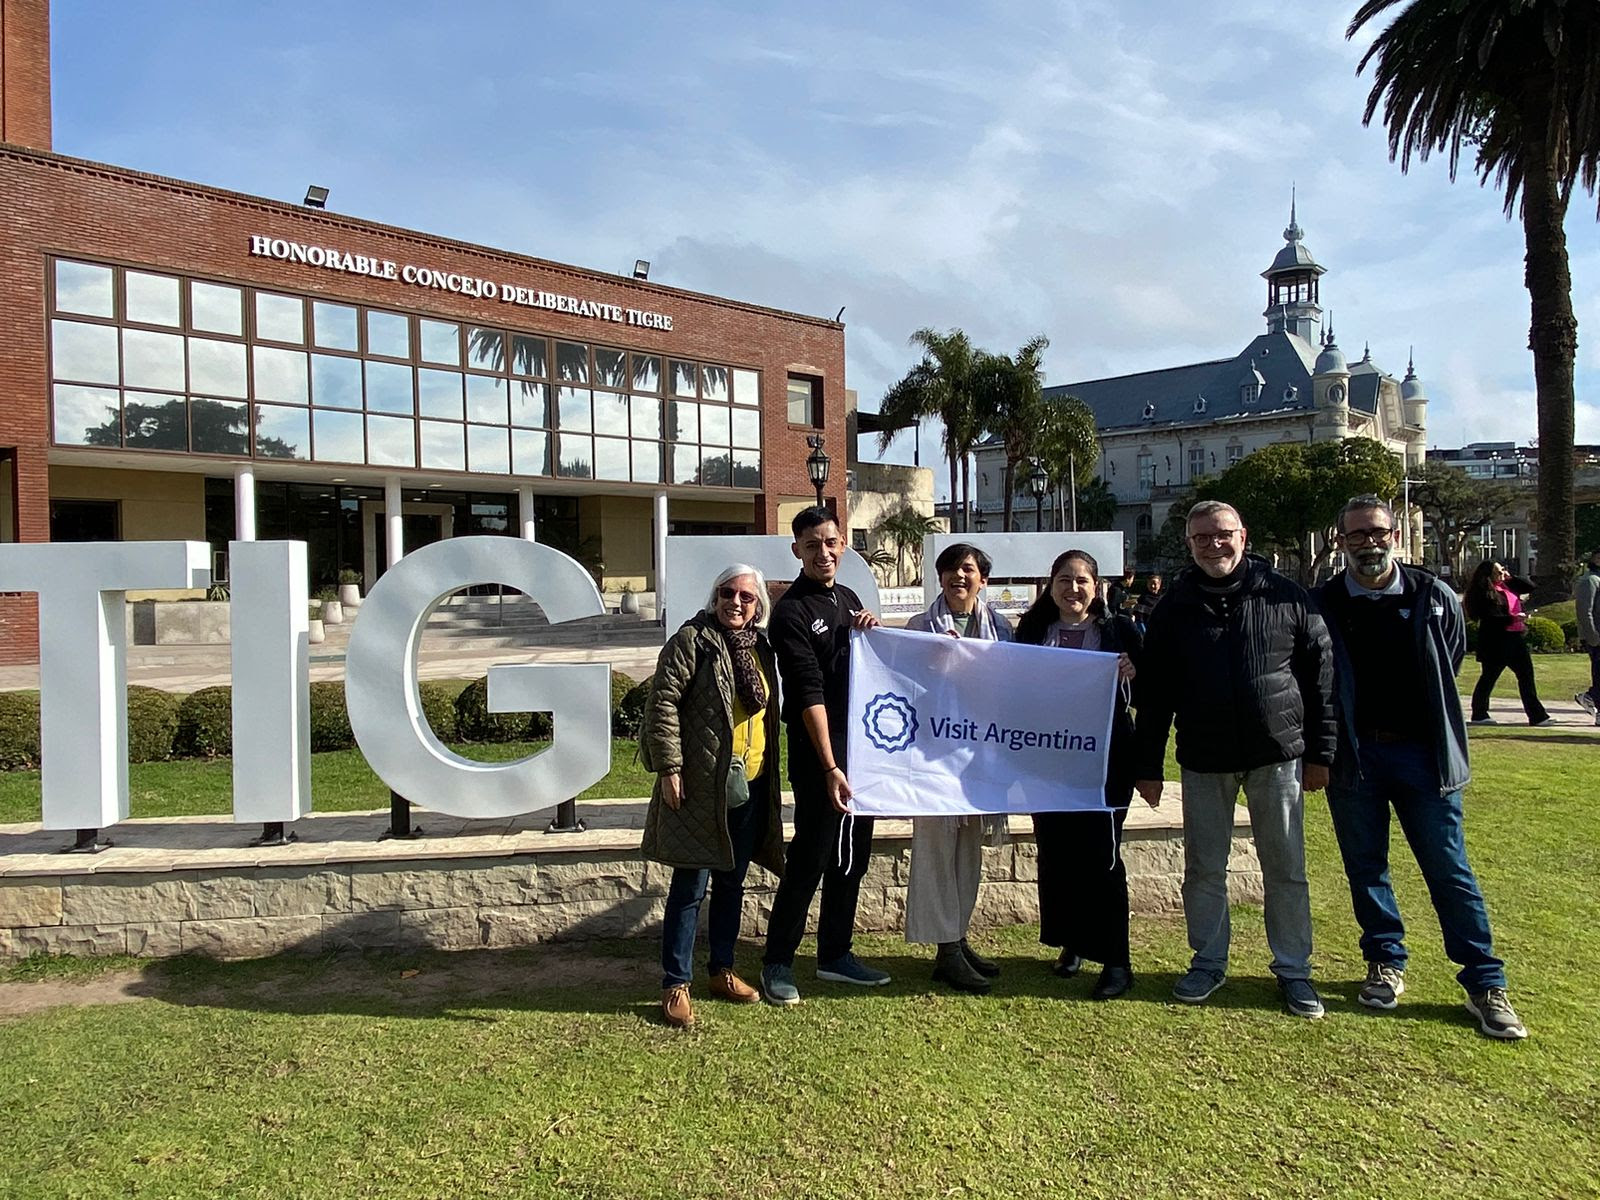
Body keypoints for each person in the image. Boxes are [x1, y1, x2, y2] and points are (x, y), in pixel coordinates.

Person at [1316, 497, 1527, 1039]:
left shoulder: (1431, 595)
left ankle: (1485, 981)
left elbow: (1449, 660)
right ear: (1340, 541)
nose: (1369, 541)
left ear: (1396, 535)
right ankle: (1386, 960)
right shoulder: (1325, 603)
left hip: (1422, 755)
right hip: (1356, 757)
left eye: (1378, 531)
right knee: (1366, 868)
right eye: (1357, 533)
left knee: (1449, 869)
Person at [1133, 500, 1335, 1019]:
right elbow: (1155, 693)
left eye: (1222, 535)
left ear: (1243, 536)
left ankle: (1294, 970)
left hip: (1278, 756)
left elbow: (1321, 681)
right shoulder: (1173, 607)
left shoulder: (1286, 596)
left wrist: (1322, 752)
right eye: (1202, 538)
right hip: (1205, 757)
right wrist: (1148, 765)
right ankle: (1208, 960)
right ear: (1189, 544)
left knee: (1285, 867)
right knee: (1204, 868)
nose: (1213, 545)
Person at [640, 564, 786, 1028]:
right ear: (714, 595)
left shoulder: (761, 647)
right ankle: (674, 984)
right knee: (689, 888)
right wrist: (669, 767)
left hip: (751, 783)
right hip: (702, 785)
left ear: (758, 604)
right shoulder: (692, 640)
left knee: (731, 882)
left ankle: (721, 970)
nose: (735, 603)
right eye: (727, 593)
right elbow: (662, 701)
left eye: (746, 596)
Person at [759, 507, 883, 1005]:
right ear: (797, 551)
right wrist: (831, 766)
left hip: (864, 753)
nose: (823, 553)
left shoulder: (848, 598)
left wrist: (871, 629)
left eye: (830, 543)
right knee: (810, 857)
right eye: (812, 545)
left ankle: (835, 955)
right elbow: (807, 692)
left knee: (851, 859)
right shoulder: (790, 610)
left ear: (843, 543)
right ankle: (777, 963)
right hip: (821, 759)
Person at [1014, 549, 1146, 1000]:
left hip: (1104, 766)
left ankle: (1116, 960)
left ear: (1097, 587)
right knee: (1058, 853)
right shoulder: (1033, 631)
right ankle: (1071, 942)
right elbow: (1011, 685)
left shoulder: (1119, 631)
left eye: (1083, 580)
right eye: (1065, 580)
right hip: (1049, 764)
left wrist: (1134, 672)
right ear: (1051, 585)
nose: (1073, 589)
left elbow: (1151, 692)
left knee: (1103, 859)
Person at [903, 542, 1013, 994]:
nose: (959, 576)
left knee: (968, 853)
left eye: (968, 569)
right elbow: (900, 684)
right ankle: (945, 950)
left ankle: (959, 937)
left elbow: (1015, 687)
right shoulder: (918, 628)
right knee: (935, 853)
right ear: (940, 578)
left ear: (982, 580)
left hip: (978, 762)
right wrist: (930, 660)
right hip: (933, 760)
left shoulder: (1001, 628)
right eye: (950, 569)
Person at [1461, 560, 1552, 726]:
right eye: (1498, 572)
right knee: (1489, 677)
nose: (1502, 574)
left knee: (1526, 676)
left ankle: (1537, 716)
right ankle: (1479, 714)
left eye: (1502, 570)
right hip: (1496, 641)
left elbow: (1529, 587)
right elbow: (1490, 618)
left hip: (1514, 637)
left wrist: (1510, 577)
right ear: (1487, 575)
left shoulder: (1507, 586)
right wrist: (1514, 617)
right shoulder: (1483, 592)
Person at [1573, 547, 1600, 724]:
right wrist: (1593, 637)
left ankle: (1591, 697)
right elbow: (1584, 610)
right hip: (1597, 636)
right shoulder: (1589, 580)